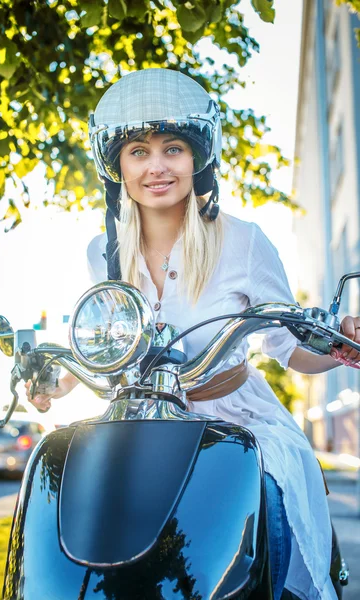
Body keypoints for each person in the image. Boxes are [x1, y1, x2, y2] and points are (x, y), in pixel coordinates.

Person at [26, 69, 360, 599]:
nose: (156, 166)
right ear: (116, 165)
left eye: (173, 148)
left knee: (273, 498)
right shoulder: (102, 253)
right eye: (138, 151)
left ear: (197, 158)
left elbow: (288, 346)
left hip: (236, 418)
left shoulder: (244, 242)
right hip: (138, 422)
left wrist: (340, 345)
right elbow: (109, 339)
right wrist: (55, 379)